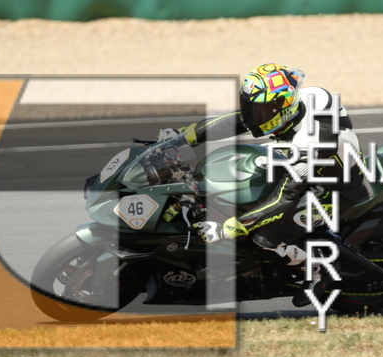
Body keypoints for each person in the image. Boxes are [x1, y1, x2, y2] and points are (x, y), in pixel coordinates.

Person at [157, 63, 368, 307]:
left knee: (264, 238)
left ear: (284, 107)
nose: (254, 115)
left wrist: (229, 228)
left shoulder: (310, 143)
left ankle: (321, 268)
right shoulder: (303, 100)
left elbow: (284, 199)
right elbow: (240, 120)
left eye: (262, 110)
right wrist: (186, 136)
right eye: (252, 107)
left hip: (333, 193)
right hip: (315, 168)